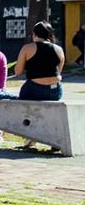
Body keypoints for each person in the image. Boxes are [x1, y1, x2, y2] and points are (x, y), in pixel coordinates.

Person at [14, 21, 65, 149]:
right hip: (55, 90)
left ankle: (31, 136)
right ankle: (55, 138)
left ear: (34, 34)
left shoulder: (28, 48)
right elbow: (58, 71)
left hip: (34, 88)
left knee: (24, 105)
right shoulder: (59, 49)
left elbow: (18, 71)